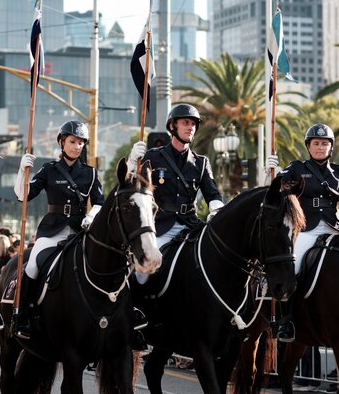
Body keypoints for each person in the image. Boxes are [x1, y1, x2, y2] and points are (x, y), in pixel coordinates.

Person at [266, 123, 339, 341]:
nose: (320, 147)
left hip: (335, 228)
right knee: (293, 267)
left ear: (331, 147)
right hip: (306, 228)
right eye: (316, 144)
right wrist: (271, 174)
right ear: (308, 146)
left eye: (325, 144)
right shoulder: (296, 168)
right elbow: (276, 192)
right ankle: (287, 321)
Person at [12, 120, 104, 339]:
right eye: (73, 141)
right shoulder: (49, 170)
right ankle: (22, 315)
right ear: (62, 143)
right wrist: (21, 171)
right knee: (33, 264)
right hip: (53, 230)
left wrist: (91, 215)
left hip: (81, 231)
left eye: (81, 143)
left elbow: (100, 201)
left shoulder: (90, 173)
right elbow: (22, 196)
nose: (77, 146)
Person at [127, 104, 223, 252]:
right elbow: (132, 185)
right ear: (172, 126)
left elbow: (213, 194)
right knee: (145, 268)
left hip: (191, 225)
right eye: (185, 123)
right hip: (160, 226)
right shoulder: (153, 156)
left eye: (193, 124)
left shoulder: (201, 162)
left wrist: (216, 211)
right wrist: (133, 161)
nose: (191, 127)